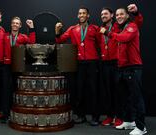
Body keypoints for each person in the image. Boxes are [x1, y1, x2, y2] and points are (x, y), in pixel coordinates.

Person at [100, 7, 147, 135]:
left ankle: (141, 127)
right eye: (118, 15)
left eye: (122, 14)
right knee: (125, 97)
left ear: (127, 16)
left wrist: (107, 33)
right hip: (122, 68)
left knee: (137, 98)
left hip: (133, 67)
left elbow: (124, 38)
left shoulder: (131, 26)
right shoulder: (120, 28)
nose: (119, 16)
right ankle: (129, 120)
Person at [55, 6, 101, 126]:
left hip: (92, 62)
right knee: (79, 90)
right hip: (79, 63)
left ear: (88, 15)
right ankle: (81, 115)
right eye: (79, 13)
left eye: (84, 13)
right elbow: (60, 40)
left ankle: (95, 117)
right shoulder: (72, 29)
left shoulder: (95, 28)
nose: (81, 15)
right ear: (77, 15)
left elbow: (101, 43)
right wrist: (57, 31)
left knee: (93, 90)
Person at [1, 16, 36, 123]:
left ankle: (16, 113)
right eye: (13, 23)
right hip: (6, 65)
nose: (15, 25)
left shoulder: (23, 37)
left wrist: (32, 28)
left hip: (18, 67)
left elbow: (32, 43)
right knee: (6, 91)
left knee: (17, 90)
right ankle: (6, 115)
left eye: (17, 23)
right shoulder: (5, 36)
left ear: (20, 26)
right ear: (11, 24)